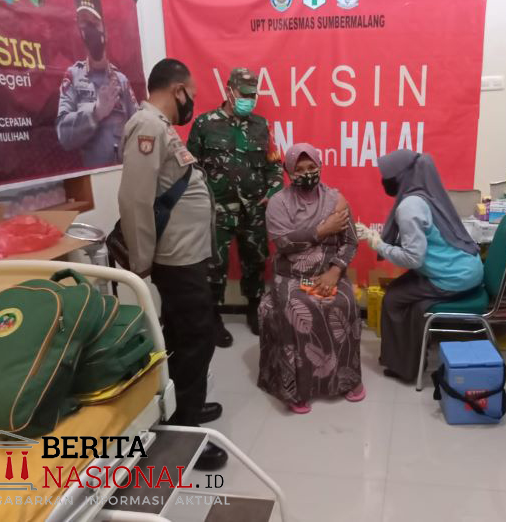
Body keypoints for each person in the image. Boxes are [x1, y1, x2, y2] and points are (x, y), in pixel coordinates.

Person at [118, 58, 227, 471]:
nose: (191, 103)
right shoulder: (148, 127)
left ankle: (185, 408)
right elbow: (134, 200)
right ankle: (185, 435)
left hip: (186, 257)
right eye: (191, 95)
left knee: (185, 336)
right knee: (197, 337)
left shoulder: (160, 128)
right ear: (177, 89)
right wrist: (141, 262)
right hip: (174, 260)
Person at [356, 150, 484, 382]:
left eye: (387, 176)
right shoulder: (425, 195)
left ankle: (403, 367)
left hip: (454, 277)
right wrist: (379, 241)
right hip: (466, 268)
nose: (384, 181)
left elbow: (413, 258)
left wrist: (377, 245)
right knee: (401, 292)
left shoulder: (410, 207)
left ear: (400, 176)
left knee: (394, 299)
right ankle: (408, 357)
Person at [258, 144, 364, 413]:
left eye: (311, 167)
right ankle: (297, 389)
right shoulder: (278, 203)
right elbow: (283, 243)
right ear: (289, 172)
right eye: (299, 169)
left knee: (346, 303)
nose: (306, 173)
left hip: (329, 271)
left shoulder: (336, 200)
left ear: (320, 166)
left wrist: (335, 272)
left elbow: (350, 242)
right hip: (290, 274)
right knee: (296, 307)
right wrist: (321, 230)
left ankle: (347, 378)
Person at [187, 68, 283, 348]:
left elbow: (274, 165)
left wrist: (272, 191)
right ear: (229, 90)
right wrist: (201, 201)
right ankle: (213, 317)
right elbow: (190, 167)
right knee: (214, 265)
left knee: (255, 260)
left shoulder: (261, 126)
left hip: (253, 209)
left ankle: (254, 309)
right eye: (244, 94)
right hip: (217, 210)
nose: (249, 100)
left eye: (253, 95)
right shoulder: (205, 124)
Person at [57, 0, 138, 168]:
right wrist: (96, 112)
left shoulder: (121, 80)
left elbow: (139, 126)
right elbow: (63, 135)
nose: (90, 29)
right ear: (79, 30)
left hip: (124, 171)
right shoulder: (73, 76)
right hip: (92, 177)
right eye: (85, 23)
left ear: (105, 30)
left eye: (95, 22)